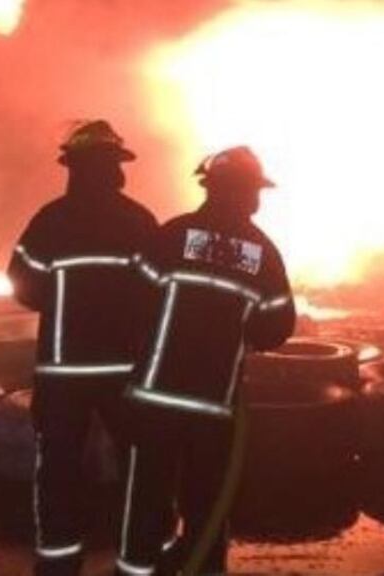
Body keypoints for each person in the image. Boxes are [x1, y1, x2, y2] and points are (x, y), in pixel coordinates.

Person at [115, 146, 296, 576]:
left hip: (156, 397)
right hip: (213, 407)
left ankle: (139, 571)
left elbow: (134, 299)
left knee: (144, 502)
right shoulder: (261, 253)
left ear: (209, 187)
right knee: (207, 509)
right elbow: (276, 327)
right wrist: (238, 331)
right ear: (250, 194)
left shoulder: (173, 235)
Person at [6, 120, 159, 576]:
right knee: (138, 464)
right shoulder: (139, 221)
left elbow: (22, 284)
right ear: (116, 167)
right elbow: (158, 291)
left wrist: (60, 306)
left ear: (71, 167)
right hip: (125, 370)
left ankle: (58, 559)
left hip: (63, 370)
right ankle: (141, 557)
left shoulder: (49, 220)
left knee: (58, 468)